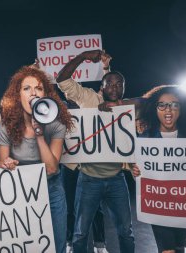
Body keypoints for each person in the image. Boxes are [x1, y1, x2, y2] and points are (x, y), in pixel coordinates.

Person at [56, 49, 135, 253]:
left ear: (125, 88)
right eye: (110, 83)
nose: (115, 87)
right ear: (102, 87)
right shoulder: (90, 100)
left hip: (117, 179)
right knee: (80, 233)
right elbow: (62, 79)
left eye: (119, 84)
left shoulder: (128, 110)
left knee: (126, 231)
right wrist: (83, 57)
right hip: (89, 178)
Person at [0, 66, 73, 253]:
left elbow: (52, 168)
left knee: (57, 244)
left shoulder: (56, 124)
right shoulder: (7, 126)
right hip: (21, 190)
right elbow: (0, 161)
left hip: (51, 188)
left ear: (45, 94)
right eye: (26, 88)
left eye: (38, 88)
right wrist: (6, 164)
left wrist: (39, 134)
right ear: (17, 95)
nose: (33, 93)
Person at [131, 85, 186, 253]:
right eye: (162, 105)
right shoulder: (146, 136)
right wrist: (135, 172)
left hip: (183, 204)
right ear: (155, 108)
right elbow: (142, 175)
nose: (168, 109)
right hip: (158, 204)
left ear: (181, 109)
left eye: (174, 105)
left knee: (178, 247)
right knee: (168, 249)